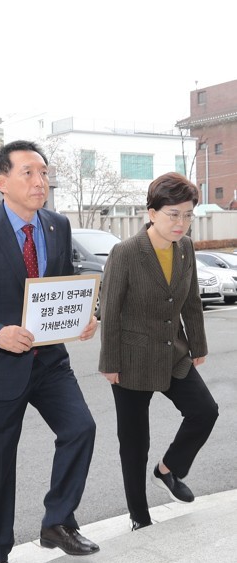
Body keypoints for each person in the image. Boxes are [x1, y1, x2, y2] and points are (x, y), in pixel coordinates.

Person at [0, 140, 99, 563]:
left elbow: (64, 285)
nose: (39, 181)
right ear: (1, 181)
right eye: (28, 173)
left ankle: (58, 521)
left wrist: (83, 317)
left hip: (50, 361)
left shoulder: (57, 225)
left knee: (80, 428)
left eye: (44, 173)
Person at [98, 172, 218, 531]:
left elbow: (192, 302)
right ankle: (140, 517)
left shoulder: (186, 249)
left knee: (205, 412)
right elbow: (110, 309)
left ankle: (168, 470)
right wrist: (110, 363)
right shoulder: (126, 252)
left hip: (174, 352)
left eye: (187, 215)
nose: (181, 223)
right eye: (173, 214)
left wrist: (197, 345)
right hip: (132, 358)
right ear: (151, 212)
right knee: (134, 443)